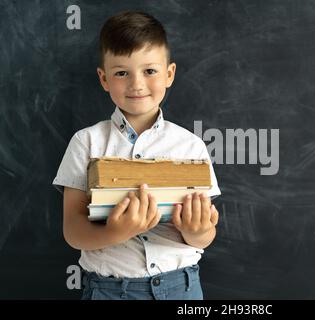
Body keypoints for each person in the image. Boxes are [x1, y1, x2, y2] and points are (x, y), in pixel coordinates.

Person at [52, 11, 221, 300]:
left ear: (169, 74)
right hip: (110, 290)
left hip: (181, 288)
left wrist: (198, 231)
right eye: (121, 73)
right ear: (104, 79)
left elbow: (205, 235)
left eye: (150, 71)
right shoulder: (86, 142)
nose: (137, 84)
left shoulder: (191, 146)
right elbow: (72, 229)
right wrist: (115, 232)